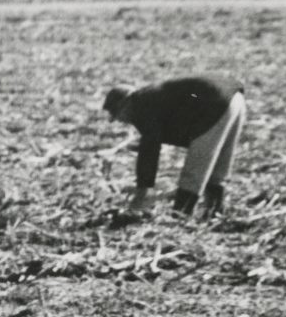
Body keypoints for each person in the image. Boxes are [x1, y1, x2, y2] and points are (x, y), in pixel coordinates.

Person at [102, 75, 246, 220]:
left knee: (196, 168)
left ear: (125, 105)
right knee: (218, 166)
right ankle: (214, 212)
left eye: (118, 115)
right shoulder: (151, 97)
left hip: (215, 102)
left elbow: (149, 149)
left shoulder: (141, 105)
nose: (121, 121)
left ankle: (180, 216)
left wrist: (142, 190)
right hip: (235, 99)